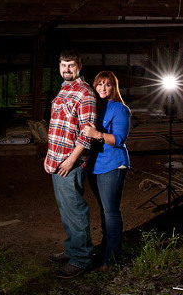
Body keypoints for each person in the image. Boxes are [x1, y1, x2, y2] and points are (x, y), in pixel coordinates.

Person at [44, 49, 97, 279]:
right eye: (63, 65)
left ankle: (81, 259)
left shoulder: (85, 94)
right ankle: (71, 249)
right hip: (56, 161)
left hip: (70, 163)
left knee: (75, 210)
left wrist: (70, 160)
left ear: (80, 66)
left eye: (71, 65)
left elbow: (87, 136)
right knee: (66, 210)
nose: (66, 69)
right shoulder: (65, 90)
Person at [83, 70, 131, 271]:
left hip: (113, 164)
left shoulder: (119, 109)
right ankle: (104, 249)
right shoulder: (95, 108)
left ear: (114, 88)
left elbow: (119, 139)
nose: (103, 88)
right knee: (104, 210)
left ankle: (113, 258)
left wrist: (97, 134)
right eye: (99, 84)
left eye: (107, 85)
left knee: (111, 212)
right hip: (96, 165)